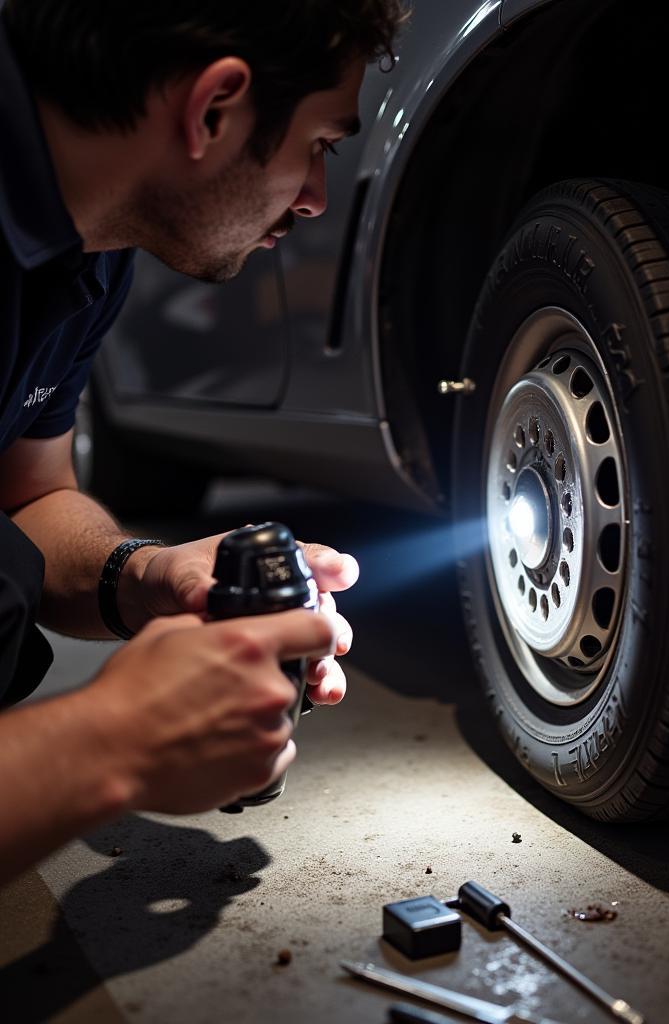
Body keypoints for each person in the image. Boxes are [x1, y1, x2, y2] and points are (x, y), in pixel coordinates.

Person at [0, 0, 406, 886]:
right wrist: (111, 743)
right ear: (214, 107)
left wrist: (150, 578)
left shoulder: (93, 244)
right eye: (319, 147)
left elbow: (23, 497)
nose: (314, 198)